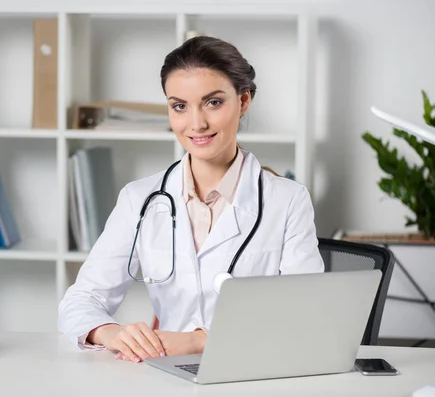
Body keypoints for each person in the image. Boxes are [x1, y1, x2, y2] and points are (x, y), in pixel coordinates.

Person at [58, 35, 324, 363]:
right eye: (180, 106)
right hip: (165, 371)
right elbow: (80, 300)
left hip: (254, 368)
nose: (196, 123)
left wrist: (200, 341)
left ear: (243, 102)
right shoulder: (139, 199)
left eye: (213, 102)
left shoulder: (288, 200)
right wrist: (112, 332)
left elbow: (305, 316)